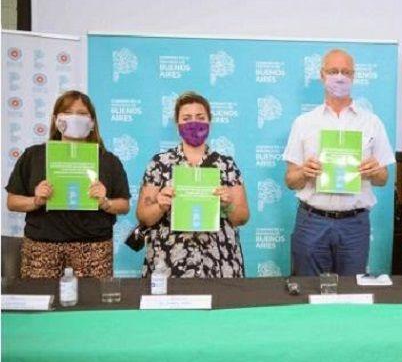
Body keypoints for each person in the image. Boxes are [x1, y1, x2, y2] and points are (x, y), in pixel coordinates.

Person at [283, 48, 395, 276]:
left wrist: (374, 171)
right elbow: (290, 180)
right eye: (333, 71)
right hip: (312, 221)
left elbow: (383, 179)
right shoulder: (304, 122)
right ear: (322, 75)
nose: (340, 77)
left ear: (353, 76)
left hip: (354, 224)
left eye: (345, 72)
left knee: (351, 291)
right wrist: (304, 172)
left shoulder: (371, 122)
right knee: (308, 288)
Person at [5, 90, 130, 278]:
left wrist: (106, 203)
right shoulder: (33, 156)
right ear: (56, 120)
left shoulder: (108, 160)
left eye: (82, 113)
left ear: (92, 122)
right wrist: (35, 201)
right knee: (40, 297)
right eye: (68, 112)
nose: (75, 118)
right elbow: (12, 201)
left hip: (94, 248)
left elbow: (124, 205)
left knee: (91, 298)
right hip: (42, 246)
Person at [136, 91, 249, 278]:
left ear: (210, 121)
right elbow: (143, 216)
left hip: (219, 262)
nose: (193, 123)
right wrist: (160, 206)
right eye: (186, 118)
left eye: (200, 117)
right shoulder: (160, 163)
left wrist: (227, 205)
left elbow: (242, 217)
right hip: (169, 262)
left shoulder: (226, 164)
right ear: (177, 124)